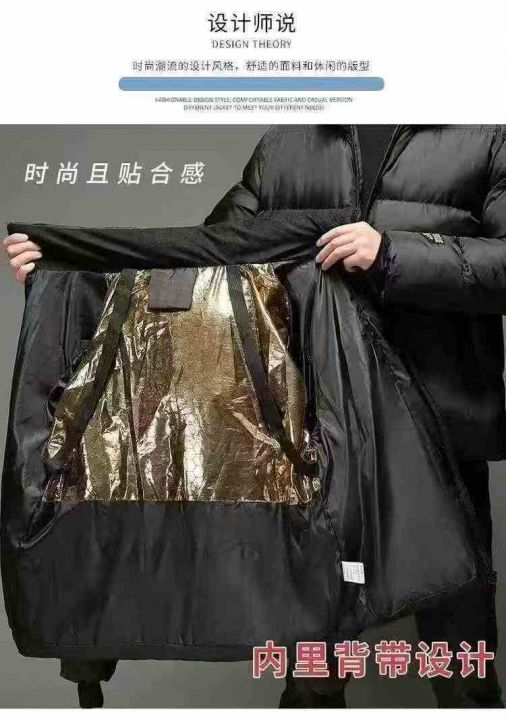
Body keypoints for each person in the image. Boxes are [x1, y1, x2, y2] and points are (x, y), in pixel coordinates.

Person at [3, 124, 505, 709]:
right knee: (313, 669)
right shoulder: (285, 145)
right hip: (312, 443)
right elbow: (208, 263)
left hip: (437, 436)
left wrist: (392, 254)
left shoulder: (484, 139)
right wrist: (70, 276)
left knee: (461, 660)